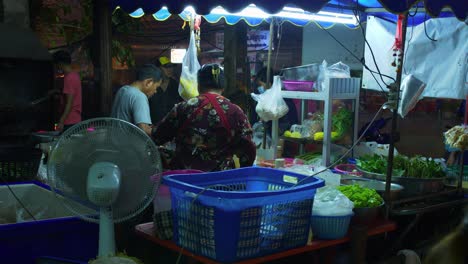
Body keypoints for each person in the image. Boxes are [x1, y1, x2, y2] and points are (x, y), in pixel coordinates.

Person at [152, 63, 256, 171]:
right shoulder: (235, 112)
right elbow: (249, 149)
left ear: (198, 85)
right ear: (223, 86)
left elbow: (157, 136)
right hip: (221, 181)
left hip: (185, 180)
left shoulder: (183, 108)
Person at [111, 64, 162, 135]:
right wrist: (162, 133)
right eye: (156, 87)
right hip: (128, 144)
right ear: (148, 82)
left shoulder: (123, 90)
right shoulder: (139, 97)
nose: (155, 91)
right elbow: (144, 130)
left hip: (114, 141)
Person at [52, 50, 82, 131]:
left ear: (60, 63)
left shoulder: (68, 78)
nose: (55, 67)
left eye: (56, 64)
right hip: (75, 119)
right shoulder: (75, 75)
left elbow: (69, 103)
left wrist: (61, 121)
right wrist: (58, 92)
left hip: (69, 121)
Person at [149, 56, 183, 124]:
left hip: (172, 125)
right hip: (153, 126)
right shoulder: (151, 85)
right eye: (166, 67)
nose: (170, 69)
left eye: (171, 66)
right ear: (158, 69)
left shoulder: (176, 85)